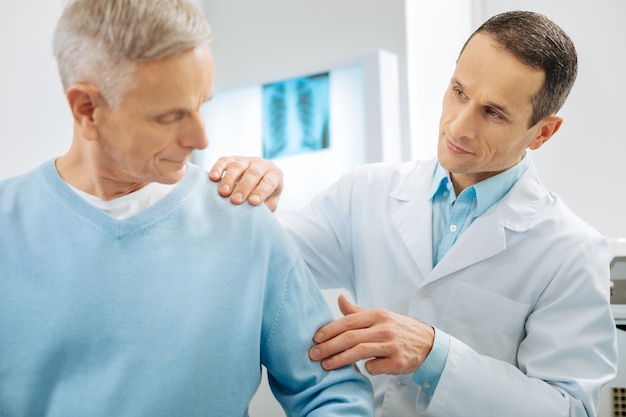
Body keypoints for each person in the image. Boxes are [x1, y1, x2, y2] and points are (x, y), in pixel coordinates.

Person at [209, 10, 618, 417]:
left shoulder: (571, 251)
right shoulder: (366, 192)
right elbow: (255, 262)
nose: (458, 127)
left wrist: (434, 354)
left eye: (493, 112)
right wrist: (255, 199)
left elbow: (571, 410)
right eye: (459, 92)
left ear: (543, 132)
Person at [0, 1, 375, 416]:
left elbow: (331, 392)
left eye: (201, 104)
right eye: (170, 116)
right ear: (87, 109)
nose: (200, 138)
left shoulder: (242, 220)